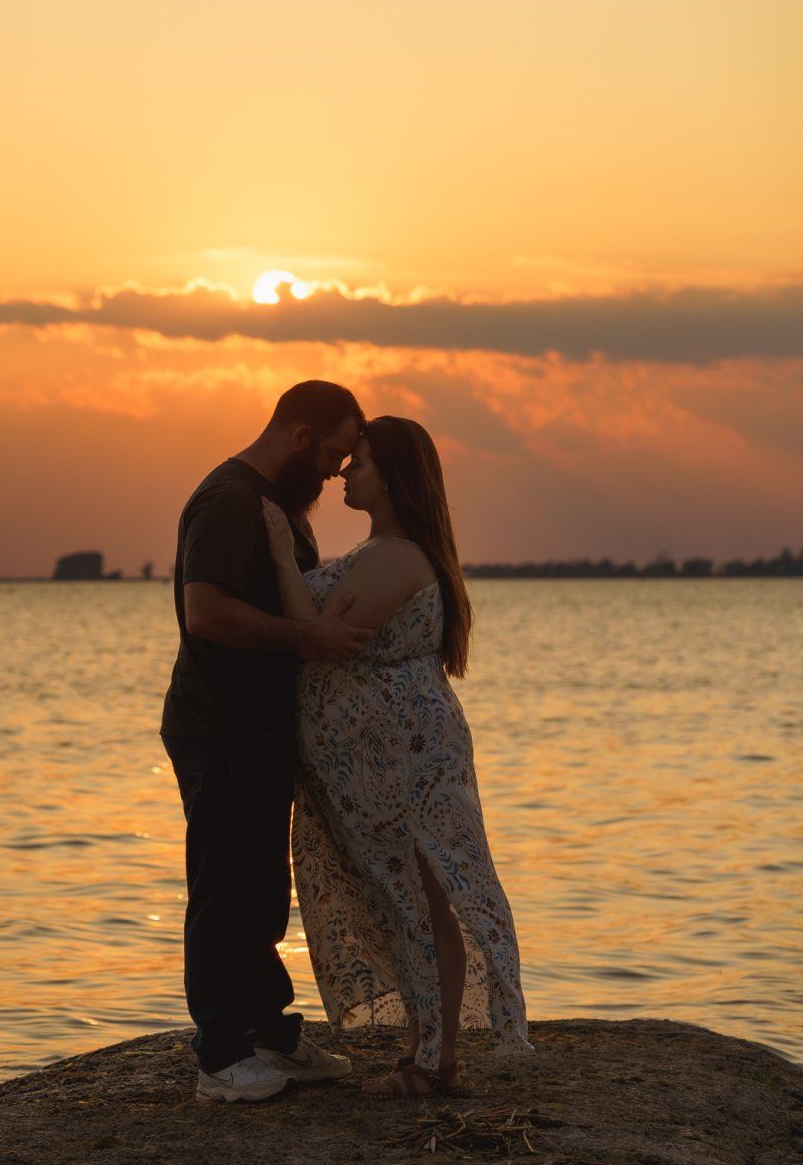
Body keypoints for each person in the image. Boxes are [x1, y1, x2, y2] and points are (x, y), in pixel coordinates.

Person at [260, 415, 532, 1096]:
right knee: (410, 897)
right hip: (385, 759)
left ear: (396, 477)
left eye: (362, 462)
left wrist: (273, 549)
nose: (347, 472)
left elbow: (314, 631)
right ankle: (429, 1053)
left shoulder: (398, 556)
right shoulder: (385, 548)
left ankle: (435, 1063)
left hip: (406, 757)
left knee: (424, 895)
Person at [161, 380, 370, 1104]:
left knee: (259, 885)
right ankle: (220, 1056)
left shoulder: (276, 505)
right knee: (225, 885)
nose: (337, 472)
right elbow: (207, 613)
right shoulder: (230, 500)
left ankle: (268, 1033)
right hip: (218, 720)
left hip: (259, 723)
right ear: (302, 437)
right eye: (335, 454)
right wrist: (309, 637)